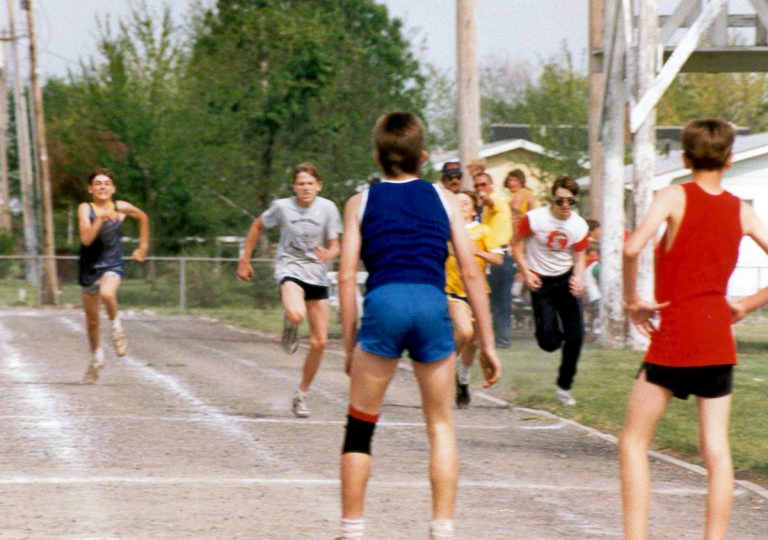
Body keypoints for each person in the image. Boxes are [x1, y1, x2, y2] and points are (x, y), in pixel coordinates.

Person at [338, 112, 501, 540]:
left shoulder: (360, 202)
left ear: (377, 157)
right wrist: (488, 343)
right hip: (432, 304)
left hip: (385, 301)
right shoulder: (446, 200)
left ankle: (352, 529)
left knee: (360, 424)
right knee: (441, 424)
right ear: (424, 157)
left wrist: (349, 341)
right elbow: (469, 272)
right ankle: (442, 528)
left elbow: (344, 275)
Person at [620, 118, 768, 540]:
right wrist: (746, 304)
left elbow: (632, 248)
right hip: (718, 339)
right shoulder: (741, 210)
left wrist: (633, 301)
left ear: (684, 158)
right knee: (717, 451)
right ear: (730, 159)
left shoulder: (672, 195)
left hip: (676, 338)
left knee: (633, 441)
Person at [236, 163, 342, 418]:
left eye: (310, 183)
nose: (305, 188)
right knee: (296, 315)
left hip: (316, 274)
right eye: (301, 183)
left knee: (320, 342)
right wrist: (245, 259)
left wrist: (330, 253)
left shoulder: (328, 208)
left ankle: (301, 394)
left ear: (319, 185)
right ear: (294, 186)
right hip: (290, 268)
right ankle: (290, 322)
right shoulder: (283, 207)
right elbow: (257, 225)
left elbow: (335, 244)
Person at [512, 175, 588, 406]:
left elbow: (580, 254)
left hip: (565, 279)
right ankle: (549, 330)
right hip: (541, 281)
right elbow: (515, 243)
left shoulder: (579, 225)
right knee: (549, 343)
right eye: (560, 201)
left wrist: (578, 277)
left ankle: (564, 387)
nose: (565, 207)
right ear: (552, 199)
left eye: (570, 202)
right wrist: (526, 272)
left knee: (576, 336)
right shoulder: (534, 219)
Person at [78, 168, 149, 384]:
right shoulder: (85, 208)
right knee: (92, 320)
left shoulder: (121, 207)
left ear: (113, 188)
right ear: (90, 188)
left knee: (108, 294)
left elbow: (143, 217)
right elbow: (86, 239)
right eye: (98, 183)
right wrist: (100, 219)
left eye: (107, 183)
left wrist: (143, 246)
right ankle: (96, 358)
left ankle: (117, 330)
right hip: (89, 267)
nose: (102, 187)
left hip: (112, 264)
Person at [444, 190, 503, 408]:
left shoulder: (484, 231)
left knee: (475, 343)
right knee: (464, 332)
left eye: (465, 203)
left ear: (472, 209)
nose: (460, 206)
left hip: (478, 294)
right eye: (456, 202)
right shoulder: (445, 231)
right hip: (452, 291)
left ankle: (463, 380)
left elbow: (498, 258)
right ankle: (445, 368)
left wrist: (477, 252)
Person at [473, 171, 515, 348]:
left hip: (501, 256)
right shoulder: (485, 210)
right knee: (492, 302)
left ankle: (502, 341)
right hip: (490, 257)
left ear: (491, 186)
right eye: (477, 186)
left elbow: (492, 202)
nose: (480, 189)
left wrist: (485, 197)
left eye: (483, 185)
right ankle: (492, 339)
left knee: (501, 302)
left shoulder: (496, 199)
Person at [504, 168, 538, 300]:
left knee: (521, 262)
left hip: (520, 233)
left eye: (515, 180)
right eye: (510, 180)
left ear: (521, 181)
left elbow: (517, 211)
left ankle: (515, 292)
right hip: (517, 233)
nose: (511, 183)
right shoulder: (521, 194)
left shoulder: (522, 193)